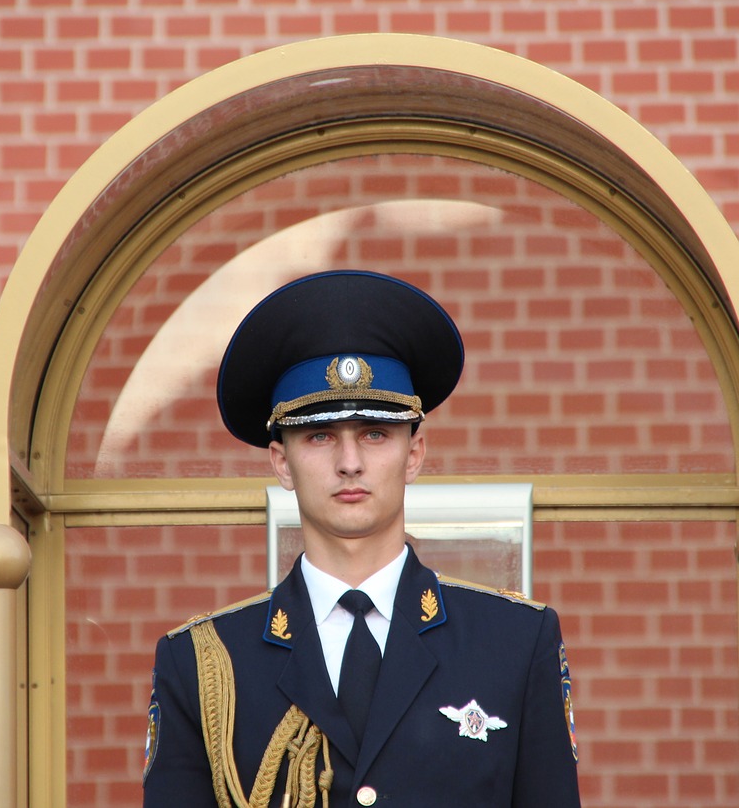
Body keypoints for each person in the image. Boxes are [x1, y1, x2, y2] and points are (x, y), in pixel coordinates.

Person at [143, 270, 581, 808]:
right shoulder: (203, 664)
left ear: (414, 453)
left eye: (375, 434)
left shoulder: (515, 643)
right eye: (320, 436)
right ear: (281, 462)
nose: (349, 463)